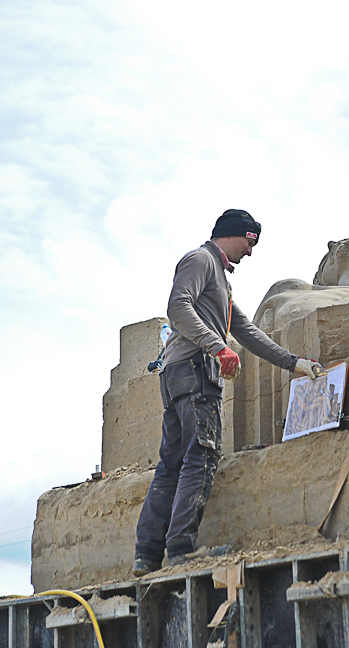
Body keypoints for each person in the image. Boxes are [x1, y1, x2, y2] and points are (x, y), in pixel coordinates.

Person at [133, 209, 322, 575]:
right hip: (194, 371)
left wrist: (292, 362)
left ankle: (147, 554)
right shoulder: (201, 260)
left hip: (180, 373)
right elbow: (177, 306)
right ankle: (182, 548)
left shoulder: (220, 281)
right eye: (251, 242)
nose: (251, 253)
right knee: (200, 456)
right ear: (235, 234)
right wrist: (217, 347)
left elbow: (246, 330)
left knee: (172, 462)